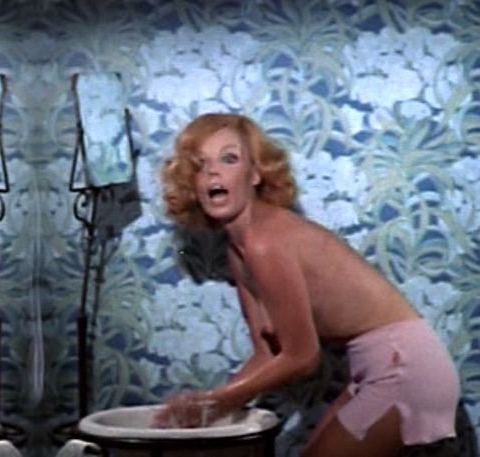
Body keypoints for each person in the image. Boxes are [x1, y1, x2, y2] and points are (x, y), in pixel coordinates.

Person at [153, 113, 460, 456]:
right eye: (200, 164)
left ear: (255, 174)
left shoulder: (265, 241)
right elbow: (267, 354)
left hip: (407, 367)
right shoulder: (238, 252)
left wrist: (216, 403)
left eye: (229, 158)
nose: (213, 172)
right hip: (378, 366)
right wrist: (209, 405)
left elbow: (303, 356)